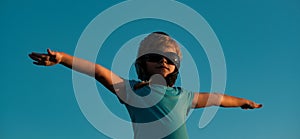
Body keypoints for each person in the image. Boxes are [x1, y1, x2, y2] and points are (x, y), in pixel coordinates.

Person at [29, 32, 262, 139]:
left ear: (175, 67)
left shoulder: (184, 95)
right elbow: (99, 72)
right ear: (143, 63)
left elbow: (217, 98)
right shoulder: (131, 89)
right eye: (155, 57)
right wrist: (62, 59)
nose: (163, 61)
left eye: (169, 59)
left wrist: (244, 102)